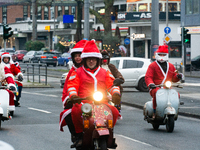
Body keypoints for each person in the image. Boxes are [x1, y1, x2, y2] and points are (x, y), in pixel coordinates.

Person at [67, 40, 121, 148]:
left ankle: (110, 134)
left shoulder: (105, 72)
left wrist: (115, 94)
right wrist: (73, 96)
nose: (91, 61)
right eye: (89, 59)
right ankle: (79, 136)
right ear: (85, 60)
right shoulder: (77, 72)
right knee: (75, 111)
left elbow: (113, 84)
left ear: (98, 60)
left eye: (94, 59)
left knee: (114, 111)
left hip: (102, 102)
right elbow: (72, 86)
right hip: (84, 103)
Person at [59, 40, 88, 140]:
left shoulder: (93, 69)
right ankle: (77, 135)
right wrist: (69, 99)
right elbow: (67, 88)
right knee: (68, 114)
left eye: (80, 55)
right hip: (77, 100)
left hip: (93, 98)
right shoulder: (72, 72)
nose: (77, 58)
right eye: (75, 56)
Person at [145, 45, 183, 119]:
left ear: (166, 55)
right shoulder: (152, 66)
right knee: (157, 94)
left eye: (163, 54)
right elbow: (148, 77)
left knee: (176, 95)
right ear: (157, 55)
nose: (162, 56)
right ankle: (154, 111)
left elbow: (174, 78)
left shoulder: (171, 66)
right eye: (160, 54)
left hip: (167, 87)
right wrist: (151, 84)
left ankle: (175, 108)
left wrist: (178, 77)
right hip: (156, 87)